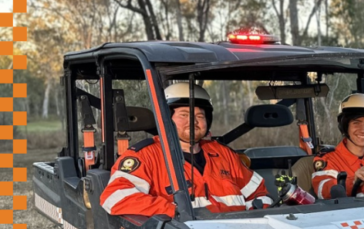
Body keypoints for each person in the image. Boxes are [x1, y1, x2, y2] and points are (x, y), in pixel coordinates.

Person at [101, 83, 269, 217]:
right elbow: (115, 198)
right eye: (183, 115)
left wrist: (257, 217)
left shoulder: (224, 154)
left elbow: (259, 195)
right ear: (167, 119)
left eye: (199, 116)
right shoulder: (145, 156)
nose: (193, 122)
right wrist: (173, 212)